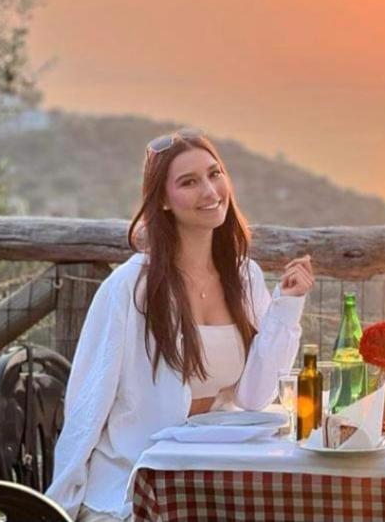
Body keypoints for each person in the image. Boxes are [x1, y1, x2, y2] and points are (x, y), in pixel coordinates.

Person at [47, 129, 314, 522]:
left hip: (208, 478)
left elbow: (255, 396)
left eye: (214, 173)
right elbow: (87, 407)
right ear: (163, 201)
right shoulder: (128, 289)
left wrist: (287, 306)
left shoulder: (244, 277)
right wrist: (59, 509)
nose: (209, 191)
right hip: (131, 488)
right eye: (188, 182)